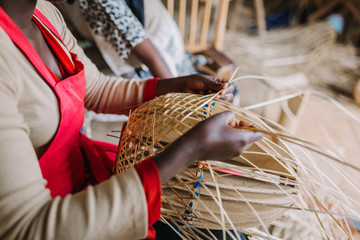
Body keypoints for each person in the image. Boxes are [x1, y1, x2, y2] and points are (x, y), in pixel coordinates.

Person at [0, 1, 262, 240]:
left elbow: (95, 89)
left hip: (87, 180)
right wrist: (190, 149)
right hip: (66, 222)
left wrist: (172, 86)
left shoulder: (42, 13)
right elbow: (28, 228)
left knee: (225, 229)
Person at [56, 0, 196, 79]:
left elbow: (151, 56)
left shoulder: (101, 3)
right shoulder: (57, 5)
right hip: (124, 49)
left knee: (79, 85)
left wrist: (176, 99)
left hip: (159, 54)